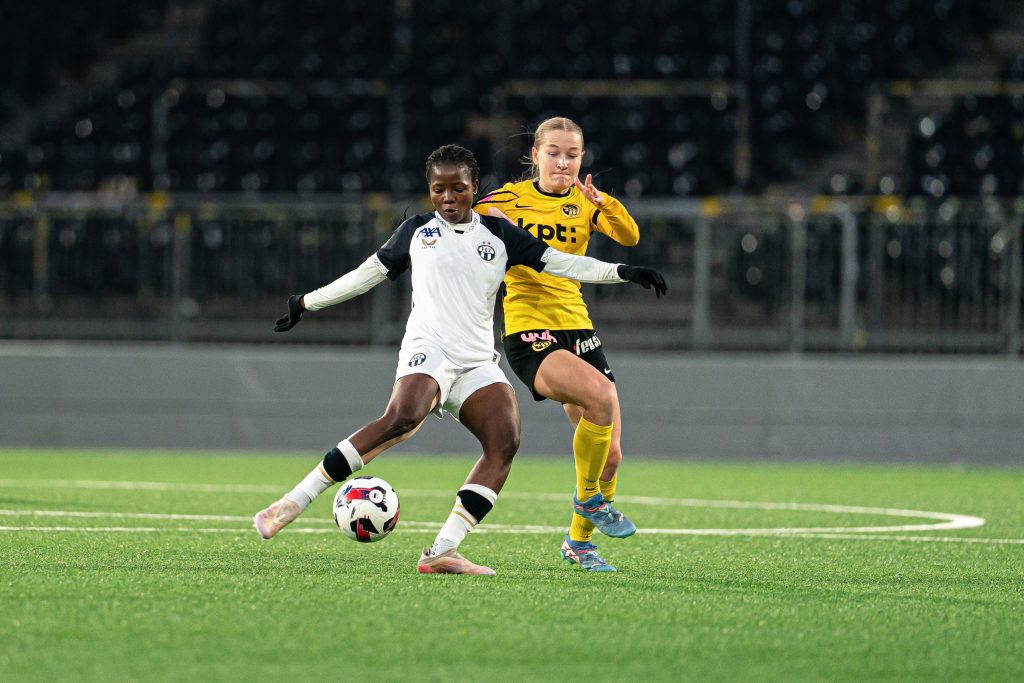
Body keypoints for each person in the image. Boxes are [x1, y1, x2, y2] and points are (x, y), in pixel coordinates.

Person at [253, 144, 667, 575]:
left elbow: (560, 263)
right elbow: (366, 275)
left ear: (474, 188)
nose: (448, 198)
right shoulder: (416, 231)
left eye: (458, 188)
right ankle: (291, 502)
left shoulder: (499, 235)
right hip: (429, 349)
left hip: (476, 362)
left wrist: (622, 271)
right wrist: (305, 303)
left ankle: (441, 551)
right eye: (438, 190)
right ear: (429, 191)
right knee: (403, 417)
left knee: (504, 442)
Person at [475, 117, 660, 573]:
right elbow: (463, 217)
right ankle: (591, 500)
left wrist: (604, 203)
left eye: (572, 155)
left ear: (582, 159)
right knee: (601, 396)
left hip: (578, 326)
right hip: (529, 330)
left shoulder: (586, 201)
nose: (562, 162)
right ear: (534, 156)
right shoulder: (507, 200)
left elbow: (630, 237)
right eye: (553, 153)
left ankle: (578, 542)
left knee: (612, 454)